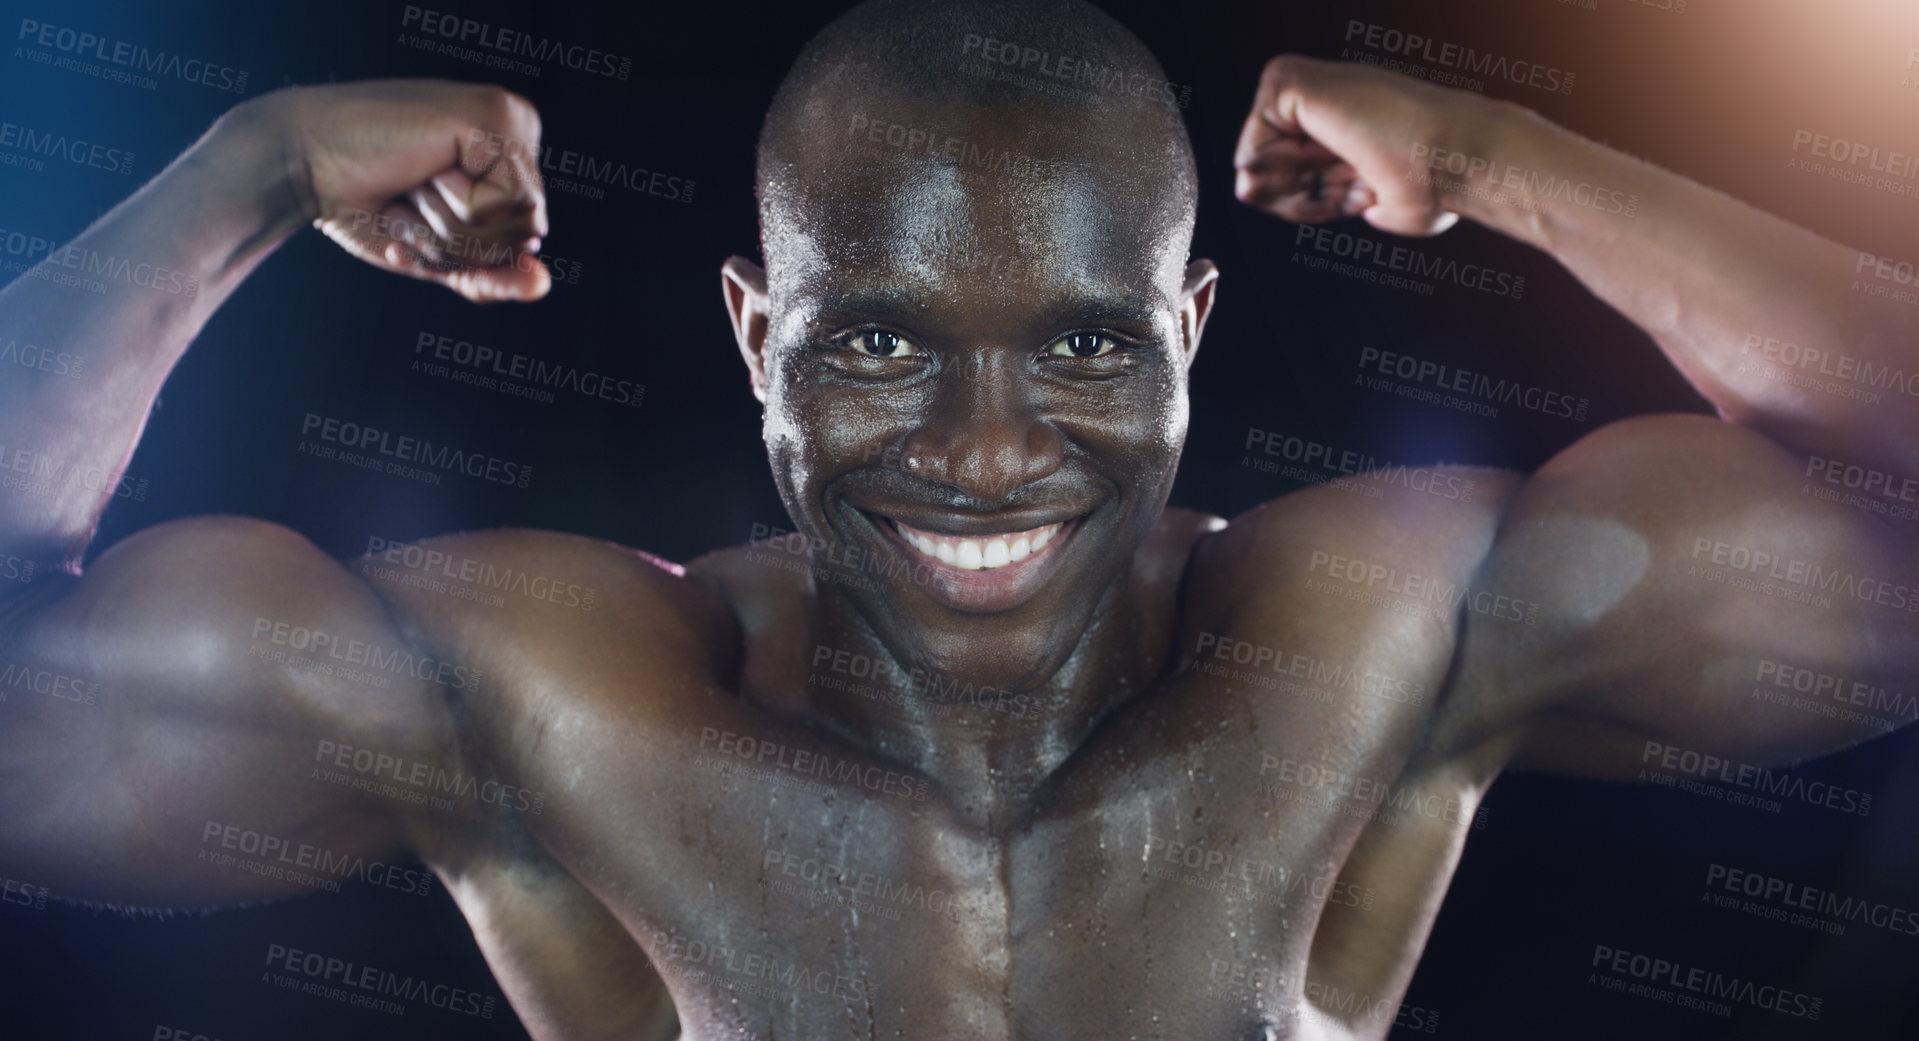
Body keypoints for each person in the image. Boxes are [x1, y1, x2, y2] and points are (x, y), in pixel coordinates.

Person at [2, 0, 1914, 1038]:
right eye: (881, 343)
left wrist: (1506, 159)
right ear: (761, 337)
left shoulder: (1381, 631)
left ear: (1192, 334)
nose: (987, 448)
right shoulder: (534, 690)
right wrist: (244, 171)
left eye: (1085, 342)